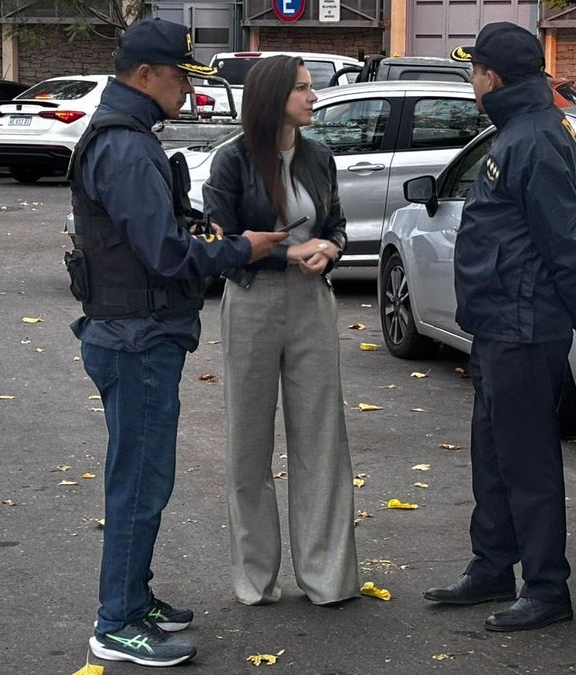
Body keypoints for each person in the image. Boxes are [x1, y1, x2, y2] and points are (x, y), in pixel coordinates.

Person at [68, 19, 288, 667]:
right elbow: (164, 255)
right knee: (140, 481)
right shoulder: (126, 146)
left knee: (142, 476)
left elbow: (157, 233)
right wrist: (241, 248)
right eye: (178, 78)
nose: (187, 91)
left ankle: (133, 598)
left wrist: (206, 231)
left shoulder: (128, 137)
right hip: (135, 336)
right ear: (145, 75)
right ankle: (117, 621)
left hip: (137, 332)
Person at [422, 22, 576, 632]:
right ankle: (492, 566)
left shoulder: (535, 138)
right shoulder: (519, 131)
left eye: (474, 71)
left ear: (493, 77)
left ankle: (547, 587)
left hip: (525, 325)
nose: (471, 81)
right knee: (494, 453)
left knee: (527, 461)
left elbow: (562, 236)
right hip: (501, 322)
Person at [202, 55, 360, 607]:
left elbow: (336, 224)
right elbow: (220, 244)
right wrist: (289, 252)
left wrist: (331, 248)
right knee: (248, 443)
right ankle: (255, 579)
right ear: (273, 98)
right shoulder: (232, 160)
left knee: (322, 439)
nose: (314, 97)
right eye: (302, 88)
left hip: (312, 301)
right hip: (253, 300)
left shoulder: (319, 157)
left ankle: (328, 578)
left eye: (311, 88)